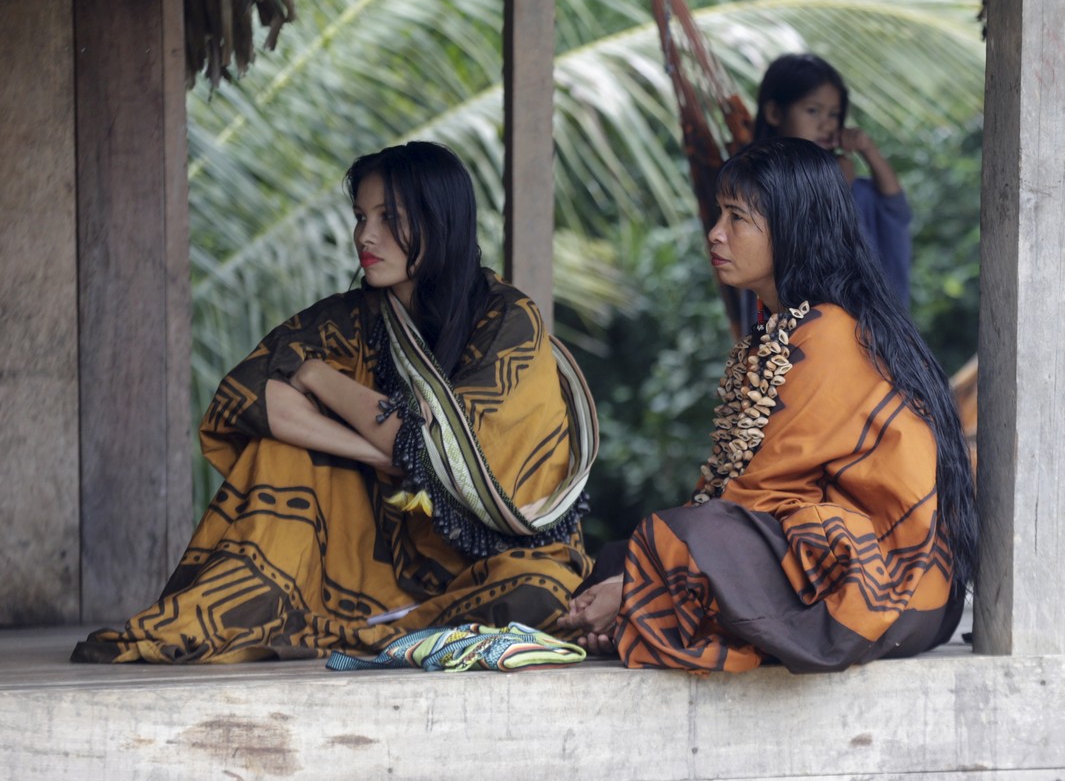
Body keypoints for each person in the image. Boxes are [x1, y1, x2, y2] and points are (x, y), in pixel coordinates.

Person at [74, 142, 595, 663]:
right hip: (386, 549)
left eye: (390, 217)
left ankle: (373, 625)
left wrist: (317, 375)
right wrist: (375, 454)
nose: (366, 236)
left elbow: (441, 451)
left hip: (500, 555)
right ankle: (313, 615)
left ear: (441, 221)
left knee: (535, 596)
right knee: (278, 451)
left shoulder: (507, 321)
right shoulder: (356, 317)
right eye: (361, 217)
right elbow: (254, 394)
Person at [557, 137, 975, 672]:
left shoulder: (829, 334)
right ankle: (637, 610)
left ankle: (637, 610)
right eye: (719, 215)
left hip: (890, 593)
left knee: (689, 539)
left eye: (737, 217)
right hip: (841, 572)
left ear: (792, 229)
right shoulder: (785, 328)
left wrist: (642, 582)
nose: (716, 233)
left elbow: (759, 496)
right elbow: (739, 496)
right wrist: (638, 574)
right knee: (633, 551)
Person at [752, 53, 913, 309]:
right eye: (813, 110)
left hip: (862, 328)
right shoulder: (758, 183)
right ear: (774, 113)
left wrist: (867, 150)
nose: (826, 124)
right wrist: (836, 186)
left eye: (834, 114)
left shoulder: (854, 185)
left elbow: (894, 208)